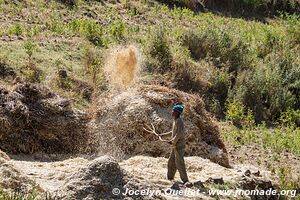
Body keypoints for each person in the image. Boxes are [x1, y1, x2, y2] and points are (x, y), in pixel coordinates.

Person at [167, 103, 190, 185]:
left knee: (179, 163)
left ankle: (186, 181)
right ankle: (170, 178)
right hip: (175, 145)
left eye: (173, 110)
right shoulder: (175, 120)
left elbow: (179, 134)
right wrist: (163, 135)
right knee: (171, 162)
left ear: (177, 112)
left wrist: (172, 141)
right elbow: (173, 132)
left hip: (179, 146)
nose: (172, 111)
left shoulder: (179, 121)